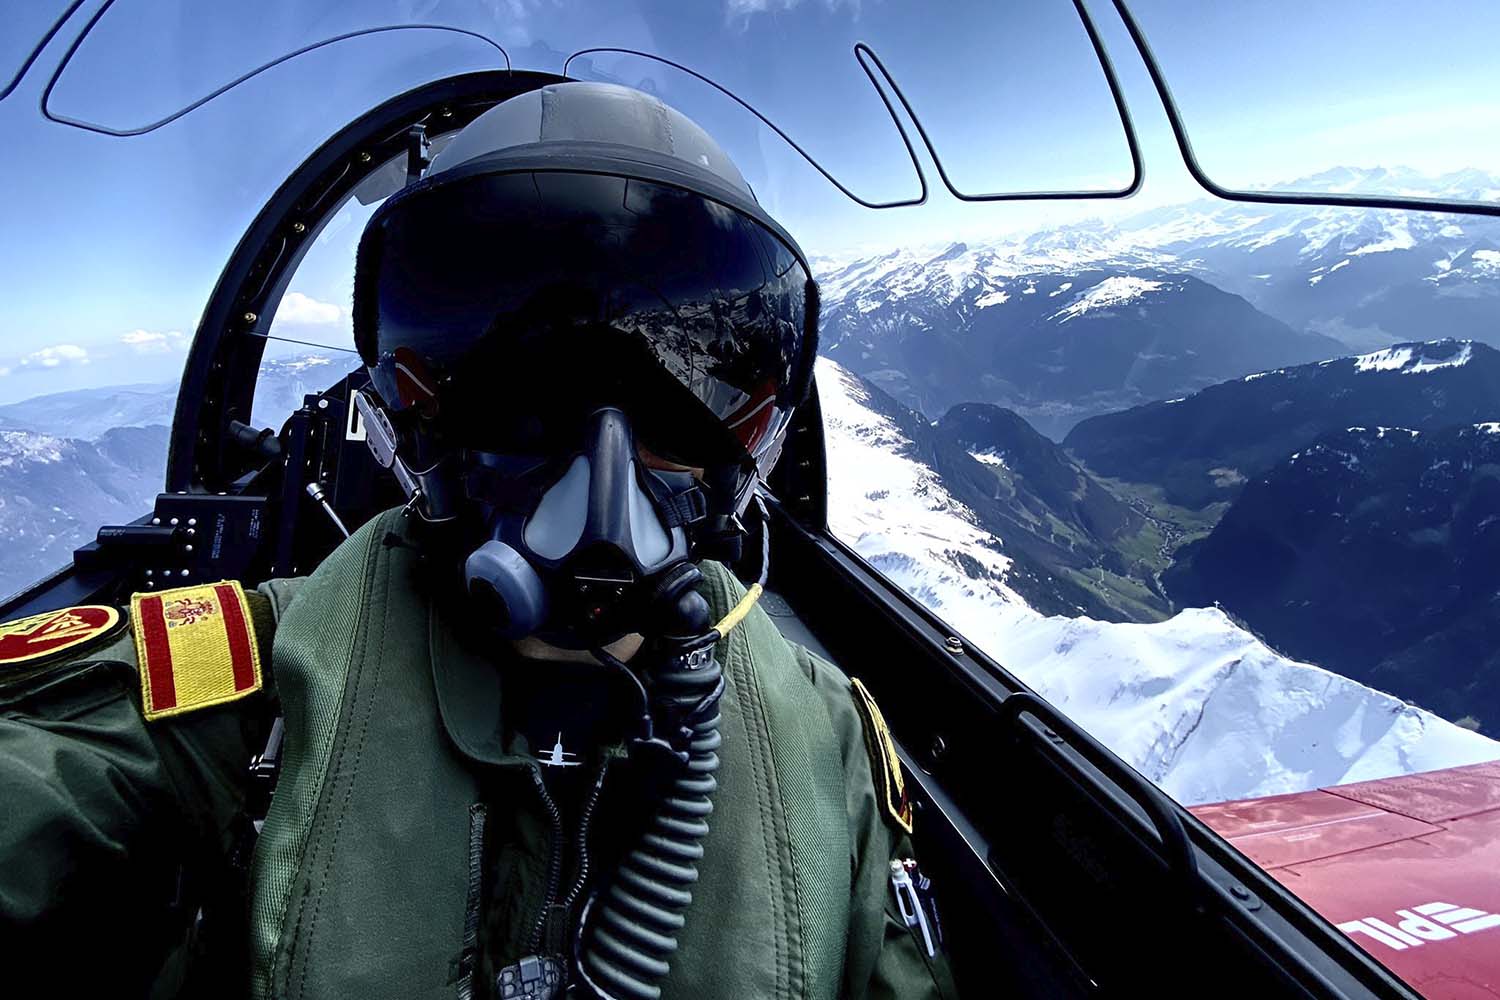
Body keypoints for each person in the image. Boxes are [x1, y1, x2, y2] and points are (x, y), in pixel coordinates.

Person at [0, 81, 955, 1000]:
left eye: (678, 401)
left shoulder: (828, 743)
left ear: (756, 443)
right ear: (403, 422)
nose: (604, 467)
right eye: (523, 396)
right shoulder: (241, 691)